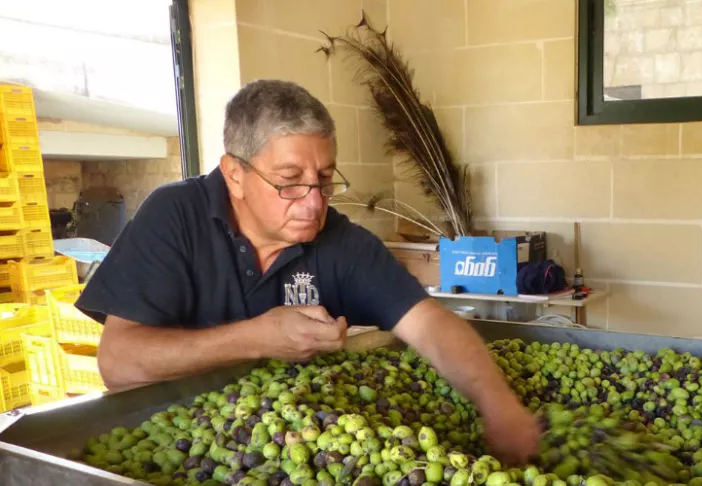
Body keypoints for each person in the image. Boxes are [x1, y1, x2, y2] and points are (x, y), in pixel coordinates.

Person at [75, 79, 540, 465]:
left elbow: (430, 324)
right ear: (235, 174)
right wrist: (256, 338)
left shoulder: (340, 241)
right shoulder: (174, 216)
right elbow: (117, 364)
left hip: (292, 445)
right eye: (289, 181)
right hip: (173, 446)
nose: (314, 203)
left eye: (324, 180)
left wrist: (498, 406)